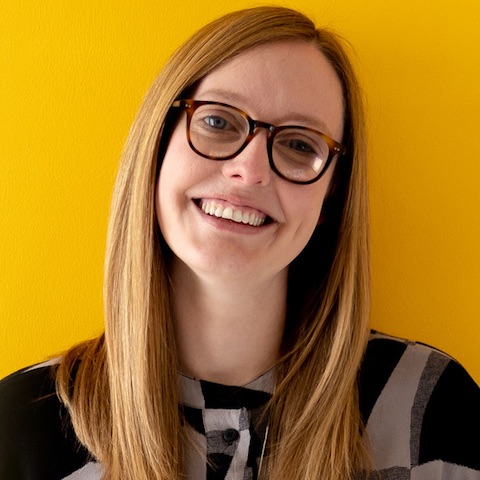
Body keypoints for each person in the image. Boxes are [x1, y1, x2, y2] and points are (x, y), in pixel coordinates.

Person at [0, 6, 479, 480]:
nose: (249, 171)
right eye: (218, 121)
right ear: (157, 144)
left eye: (299, 144)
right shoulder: (21, 423)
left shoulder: (433, 408)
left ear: (332, 194)